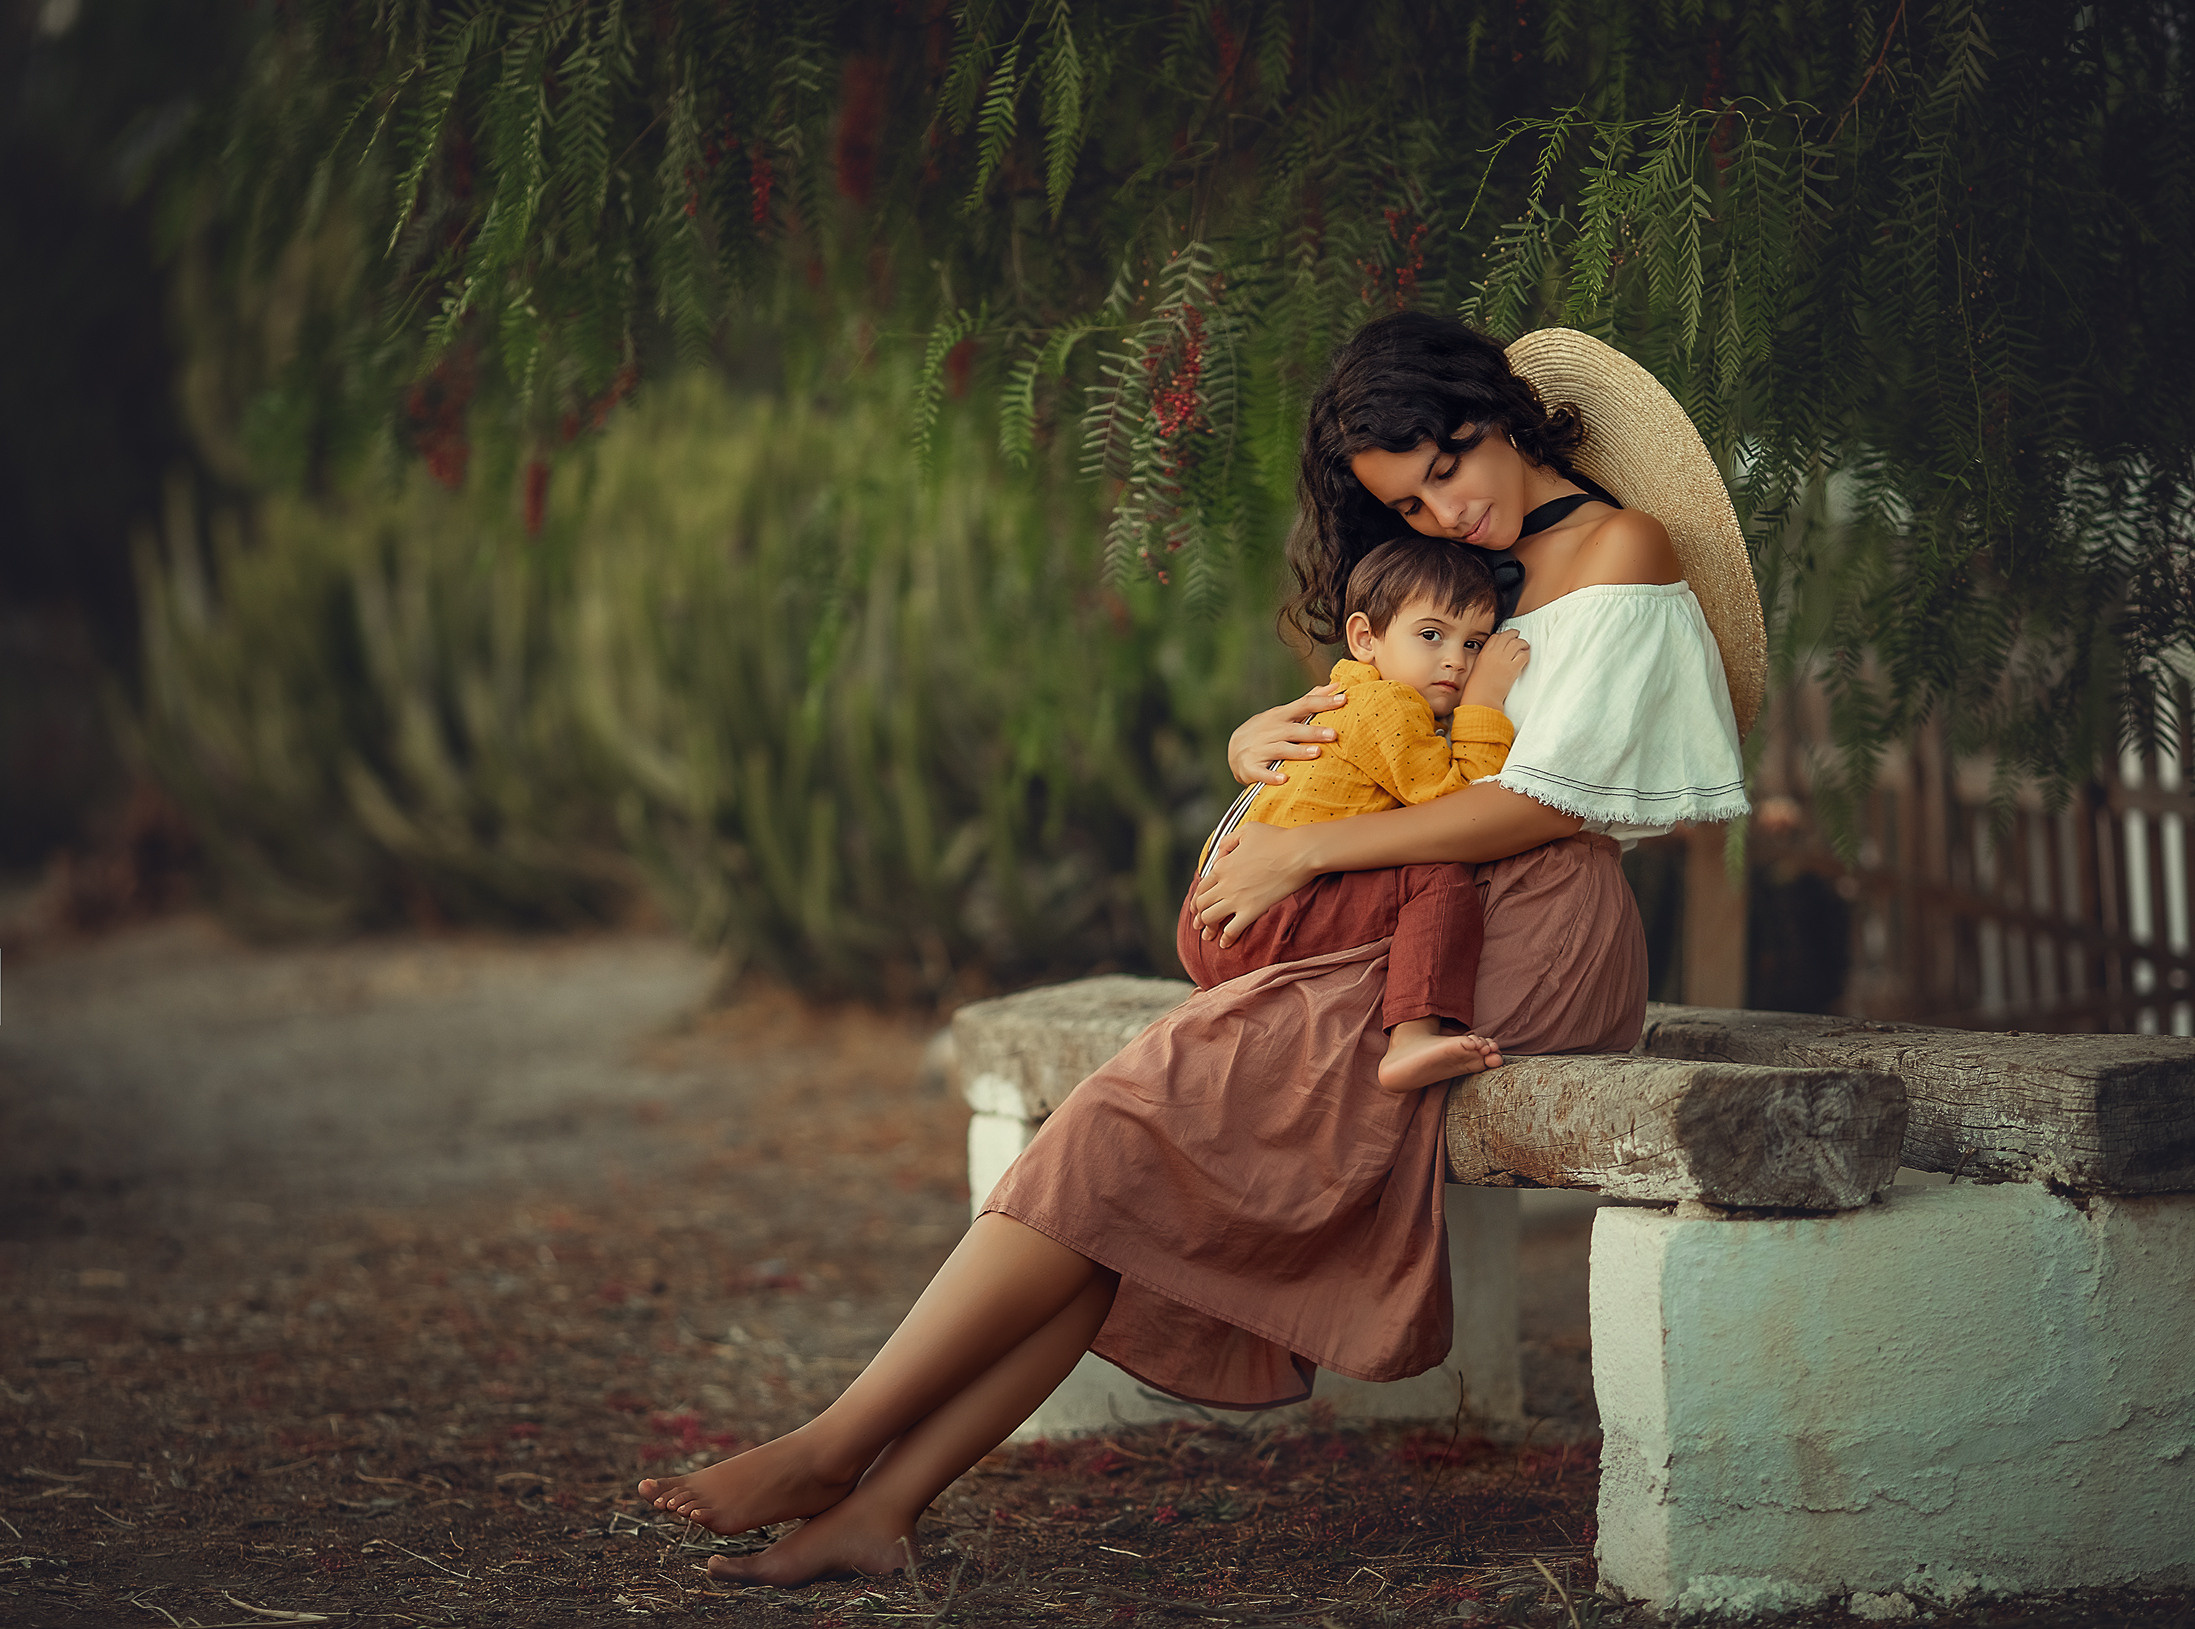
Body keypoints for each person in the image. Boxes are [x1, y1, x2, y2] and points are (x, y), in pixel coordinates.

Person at [637, 315, 1760, 1587]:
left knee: (1128, 1119)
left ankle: (831, 1451)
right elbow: (1388, 730)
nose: (1444, 513)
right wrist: (1260, 742)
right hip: (1416, 918)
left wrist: (1306, 858)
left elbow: (1549, 803)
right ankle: (875, 1503)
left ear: (1497, 416)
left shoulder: (1618, 545)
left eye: (1448, 470)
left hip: (1534, 934)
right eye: (1409, 502)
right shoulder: (1460, 574)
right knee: (1116, 1163)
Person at [1177, 533, 1530, 1090]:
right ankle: (1411, 1038)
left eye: (1473, 645)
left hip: (1209, 913)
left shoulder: (1344, 697)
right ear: (1366, 637)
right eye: (1432, 635)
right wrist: (1485, 702)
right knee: (1437, 879)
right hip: (1254, 920)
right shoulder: (1392, 705)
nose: (1456, 661)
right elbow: (1461, 801)